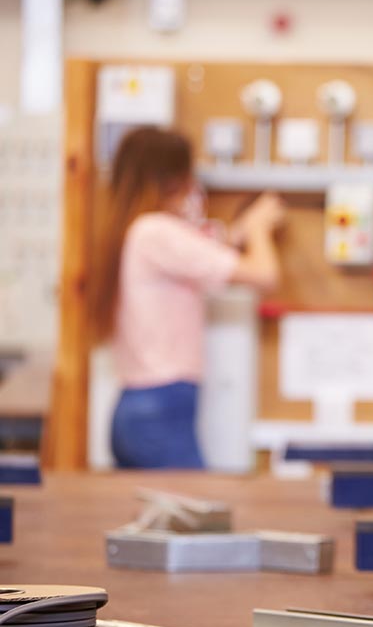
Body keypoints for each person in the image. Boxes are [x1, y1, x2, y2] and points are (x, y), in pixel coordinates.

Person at [93, 126, 286, 469]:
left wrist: (241, 231)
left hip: (142, 407)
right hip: (161, 409)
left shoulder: (139, 232)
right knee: (197, 518)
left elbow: (212, 252)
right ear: (174, 178)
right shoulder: (157, 231)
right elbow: (264, 275)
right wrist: (260, 228)